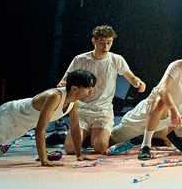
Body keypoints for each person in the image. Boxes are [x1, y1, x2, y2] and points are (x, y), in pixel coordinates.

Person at [0, 69, 96, 166]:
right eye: (89, 88)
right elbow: (40, 130)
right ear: (74, 88)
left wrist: (79, 154)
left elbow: (75, 127)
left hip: (21, 125)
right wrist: (44, 159)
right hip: (8, 116)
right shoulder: (54, 96)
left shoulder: (75, 102)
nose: (91, 92)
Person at [108, 37, 182, 160]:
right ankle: (145, 145)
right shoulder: (177, 66)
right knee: (104, 143)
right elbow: (163, 90)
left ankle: (176, 135)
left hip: (177, 110)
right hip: (148, 113)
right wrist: (173, 110)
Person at [56, 24, 147, 154]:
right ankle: (86, 136)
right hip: (81, 110)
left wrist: (139, 83)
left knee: (100, 147)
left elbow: (132, 78)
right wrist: (62, 84)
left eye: (109, 43)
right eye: (102, 43)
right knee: (70, 149)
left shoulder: (116, 59)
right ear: (94, 41)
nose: (105, 47)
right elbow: (65, 79)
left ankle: (94, 136)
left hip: (103, 111)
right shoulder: (81, 59)